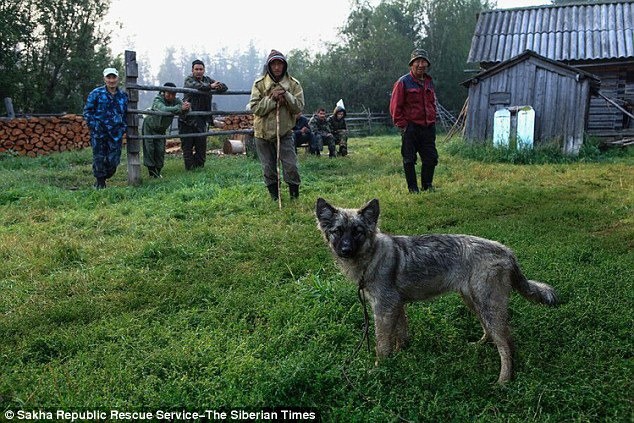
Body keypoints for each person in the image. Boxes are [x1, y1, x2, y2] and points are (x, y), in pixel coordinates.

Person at [248, 49, 304, 200]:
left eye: (280, 64)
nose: (277, 67)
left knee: (290, 166)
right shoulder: (259, 84)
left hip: (285, 132)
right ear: (269, 66)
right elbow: (255, 108)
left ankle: (294, 196)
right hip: (263, 134)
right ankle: (275, 198)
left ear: (284, 65)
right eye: (274, 64)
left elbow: (299, 106)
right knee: (268, 167)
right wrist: (271, 99)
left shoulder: (293, 84)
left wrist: (286, 95)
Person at [389, 48, 438, 193]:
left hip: (428, 127)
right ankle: (413, 188)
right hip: (411, 128)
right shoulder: (403, 82)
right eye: (418, 61)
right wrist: (403, 126)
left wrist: (433, 118)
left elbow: (432, 103)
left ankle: (427, 185)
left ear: (427, 65)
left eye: (424, 62)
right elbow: (395, 107)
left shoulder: (429, 82)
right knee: (409, 159)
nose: (421, 65)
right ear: (412, 64)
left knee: (431, 158)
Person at [83, 67, 129, 189]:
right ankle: (100, 182)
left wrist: (123, 127)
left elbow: (126, 114)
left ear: (118, 78)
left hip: (115, 133)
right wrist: (94, 126)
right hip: (99, 132)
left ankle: (106, 175)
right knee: (99, 157)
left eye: (113, 77)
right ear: (104, 79)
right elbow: (87, 112)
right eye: (109, 77)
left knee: (113, 160)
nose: (111, 80)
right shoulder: (96, 93)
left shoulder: (123, 96)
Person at [178, 59, 228, 170]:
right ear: (192, 70)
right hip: (187, 119)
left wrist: (218, 86)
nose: (199, 71)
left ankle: (199, 169)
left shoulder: (207, 79)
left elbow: (224, 87)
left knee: (201, 146)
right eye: (196, 69)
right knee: (187, 146)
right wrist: (211, 87)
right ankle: (190, 170)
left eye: (201, 69)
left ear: (204, 70)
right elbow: (196, 87)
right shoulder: (188, 80)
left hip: (201, 119)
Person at [142, 82, 190, 178]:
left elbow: (186, 109)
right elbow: (163, 109)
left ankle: (158, 171)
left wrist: (186, 107)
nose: (170, 96)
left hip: (161, 129)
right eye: (168, 93)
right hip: (150, 127)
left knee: (160, 150)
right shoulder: (158, 99)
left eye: (173, 94)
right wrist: (179, 108)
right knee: (149, 148)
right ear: (164, 92)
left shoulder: (176, 101)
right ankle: (151, 172)